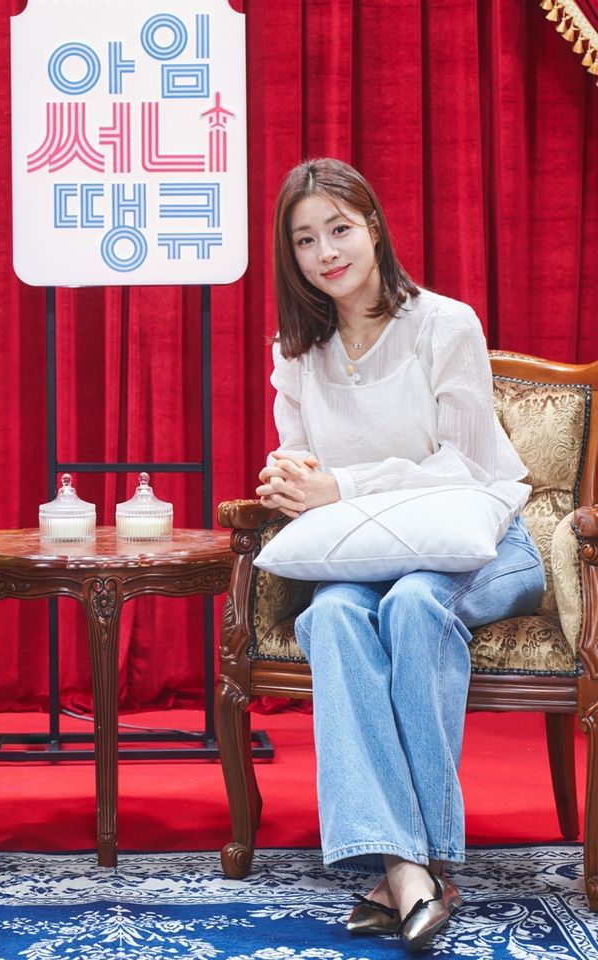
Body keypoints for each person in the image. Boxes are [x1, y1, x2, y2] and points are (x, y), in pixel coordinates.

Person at [255, 158, 546, 953]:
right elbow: (301, 460)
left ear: (374, 227)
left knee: (416, 600)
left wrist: (344, 485)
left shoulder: (445, 325)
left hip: (483, 545)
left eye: (339, 229)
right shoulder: (296, 351)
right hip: (365, 557)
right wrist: (289, 478)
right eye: (305, 240)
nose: (325, 253)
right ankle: (410, 867)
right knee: (335, 617)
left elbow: (467, 464)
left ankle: (416, 861)